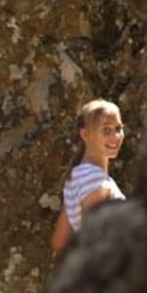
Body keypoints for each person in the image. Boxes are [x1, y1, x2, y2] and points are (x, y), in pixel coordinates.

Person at [50, 98, 126, 253]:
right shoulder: (94, 179)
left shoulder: (78, 176)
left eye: (118, 128)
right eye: (106, 130)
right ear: (85, 134)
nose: (116, 136)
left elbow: (59, 242)